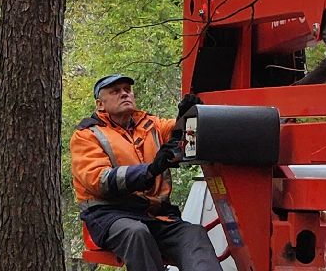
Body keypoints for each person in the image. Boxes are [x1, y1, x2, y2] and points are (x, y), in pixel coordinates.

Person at [70, 73, 218, 271]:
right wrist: (148, 171)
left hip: (156, 216)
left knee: (193, 234)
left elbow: (179, 136)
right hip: (110, 215)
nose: (124, 94)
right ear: (100, 105)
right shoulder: (87, 136)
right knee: (136, 233)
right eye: (115, 91)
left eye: (127, 90)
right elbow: (99, 180)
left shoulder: (150, 125)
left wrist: (188, 116)